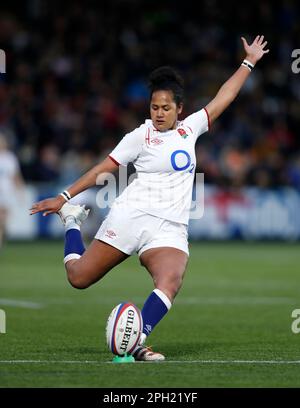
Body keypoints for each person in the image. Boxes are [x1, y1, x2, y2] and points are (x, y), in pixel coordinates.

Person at [30, 35, 269, 361]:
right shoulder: (139, 136)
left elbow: (224, 96)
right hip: (132, 216)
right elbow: (105, 167)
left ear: (179, 109)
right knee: (78, 278)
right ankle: (72, 220)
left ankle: (136, 342)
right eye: (154, 107)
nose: (159, 113)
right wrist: (64, 196)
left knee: (171, 279)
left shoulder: (190, 129)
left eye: (166, 108)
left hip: (169, 227)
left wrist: (249, 61)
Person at [0, 134, 25, 250]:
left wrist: (20, 191)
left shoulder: (10, 157)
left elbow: (16, 176)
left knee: (3, 219)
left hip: (6, 192)